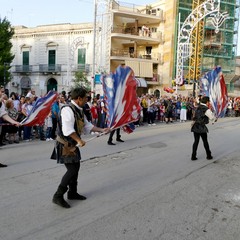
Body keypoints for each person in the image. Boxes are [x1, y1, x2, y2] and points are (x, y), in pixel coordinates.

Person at [51, 87, 109, 208]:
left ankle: (72, 193)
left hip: (73, 144)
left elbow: (87, 126)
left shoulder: (79, 110)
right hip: (65, 145)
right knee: (72, 170)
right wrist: (79, 140)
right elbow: (67, 130)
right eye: (85, 98)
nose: (87, 101)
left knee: (76, 167)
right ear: (79, 99)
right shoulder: (67, 110)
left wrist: (101, 130)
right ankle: (58, 195)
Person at [191, 96, 217, 161]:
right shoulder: (206, 109)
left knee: (196, 142)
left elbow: (194, 117)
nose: (209, 103)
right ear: (207, 102)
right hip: (201, 127)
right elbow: (212, 117)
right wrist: (215, 119)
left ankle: (193, 156)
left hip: (195, 126)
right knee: (205, 141)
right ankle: (209, 155)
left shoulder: (197, 107)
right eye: (209, 102)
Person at [0, 99, 20, 167]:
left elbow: (3, 114)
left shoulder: (1, 104)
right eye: (1, 91)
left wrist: (14, 122)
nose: (2, 93)